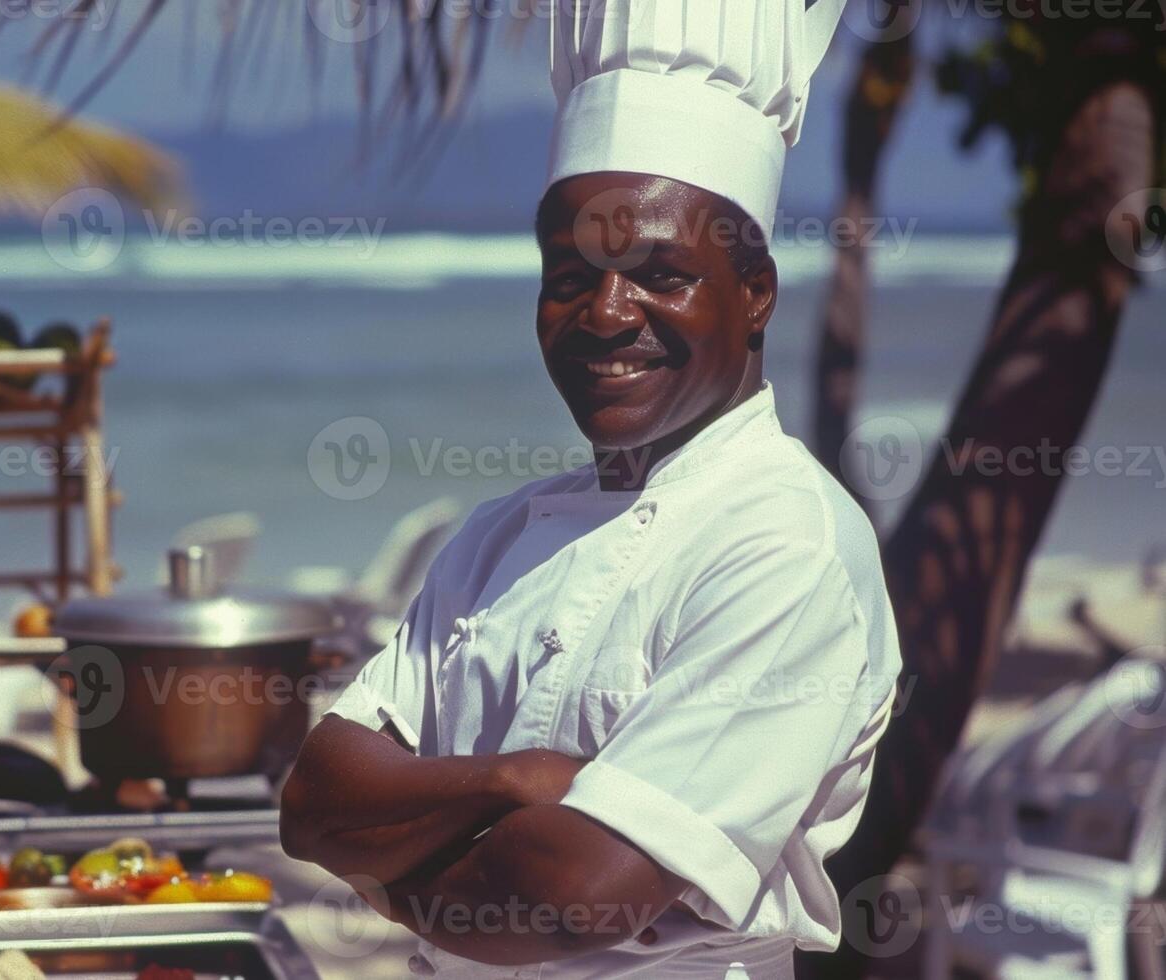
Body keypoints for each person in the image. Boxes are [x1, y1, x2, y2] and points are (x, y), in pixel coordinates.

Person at [280, 1, 902, 977]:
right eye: (571, 272)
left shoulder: (784, 543)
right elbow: (316, 799)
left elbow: (576, 896)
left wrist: (398, 878)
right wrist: (510, 779)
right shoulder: (494, 537)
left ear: (756, 294)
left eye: (661, 271)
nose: (607, 312)